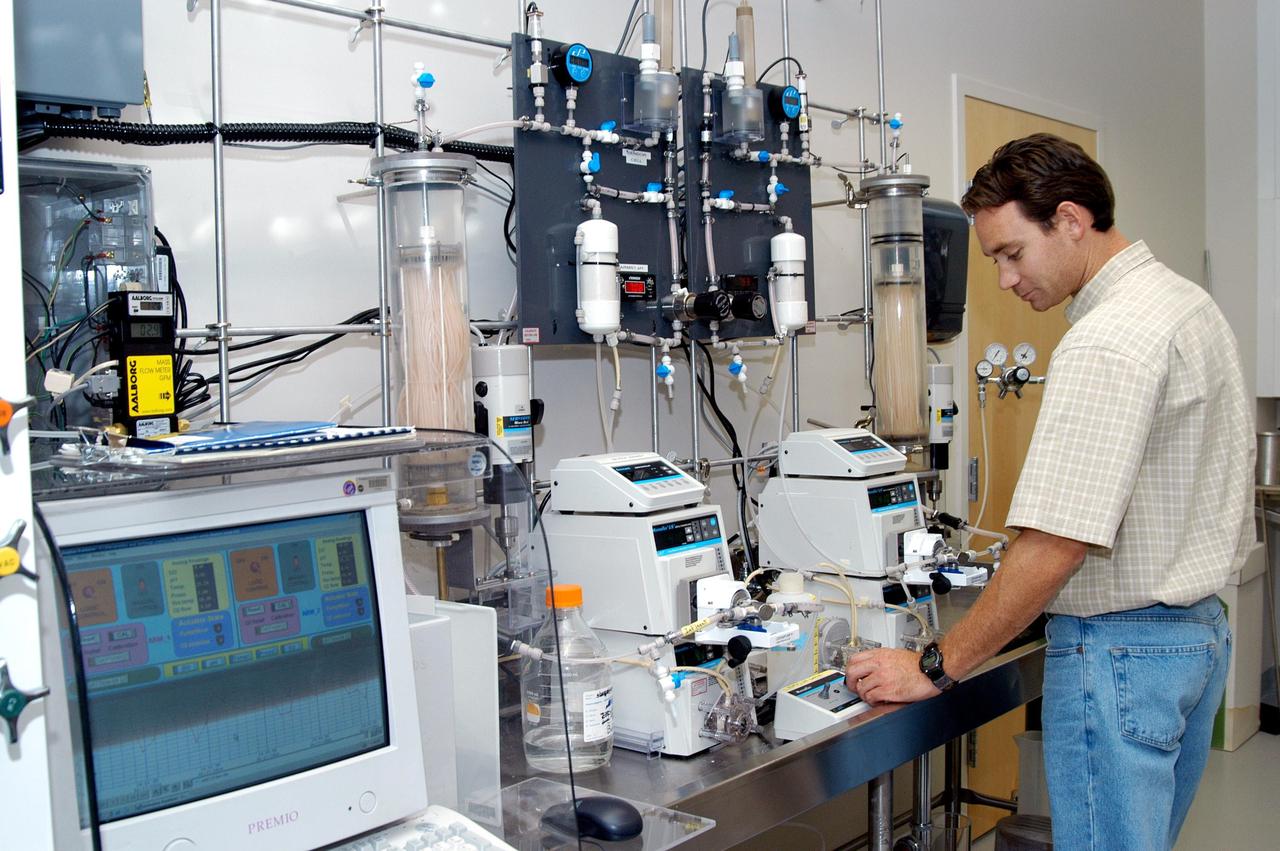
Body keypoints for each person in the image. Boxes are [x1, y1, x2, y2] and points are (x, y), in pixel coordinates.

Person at [844, 133, 1255, 849]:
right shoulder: (1187, 305)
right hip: (1198, 637)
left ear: (1069, 220)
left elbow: (1056, 544)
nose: (1005, 279)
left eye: (1010, 253)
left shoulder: (1107, 339)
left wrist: (932, 666)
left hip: (1120, 654)